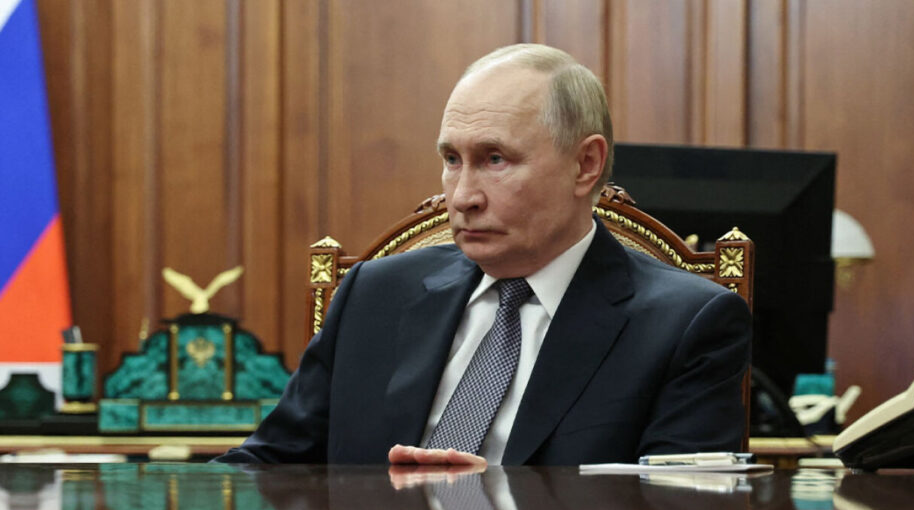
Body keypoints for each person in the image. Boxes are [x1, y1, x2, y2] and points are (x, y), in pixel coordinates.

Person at [215, 44, 751, 466]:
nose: (463, 196)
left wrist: (490, 506)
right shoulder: (373, 295)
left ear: (585, 164)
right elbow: (269, 465)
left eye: (495, 159)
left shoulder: (686, 325)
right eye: (452, 159)